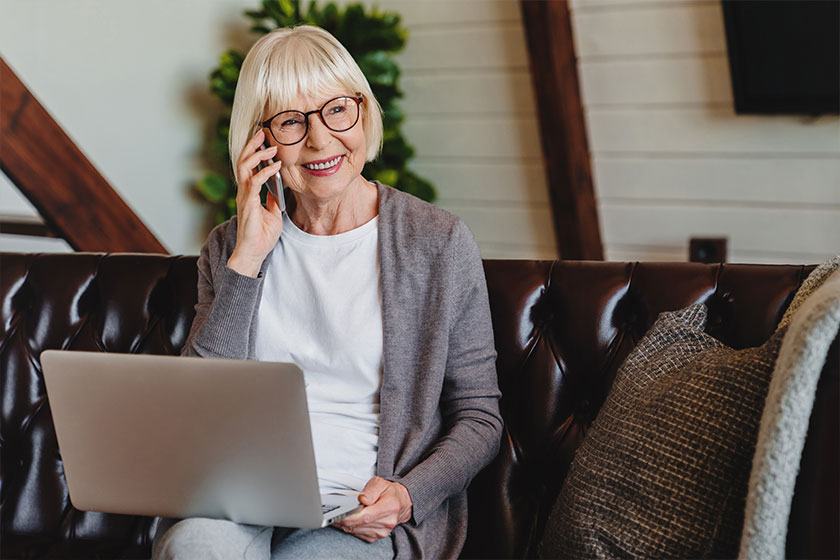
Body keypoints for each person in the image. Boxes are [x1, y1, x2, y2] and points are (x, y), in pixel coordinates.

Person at [152, 25, 502, 560]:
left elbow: (479, 416)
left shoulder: (439, 243)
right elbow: (198, 404)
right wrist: (247, 259)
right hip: (244, 494)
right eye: (291, 122)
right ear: (259, 140)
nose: (319, 140)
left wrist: (408, 496)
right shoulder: (229, 245)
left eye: (337, 110)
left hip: (362, 512)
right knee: (193, 546)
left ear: (363, 112)